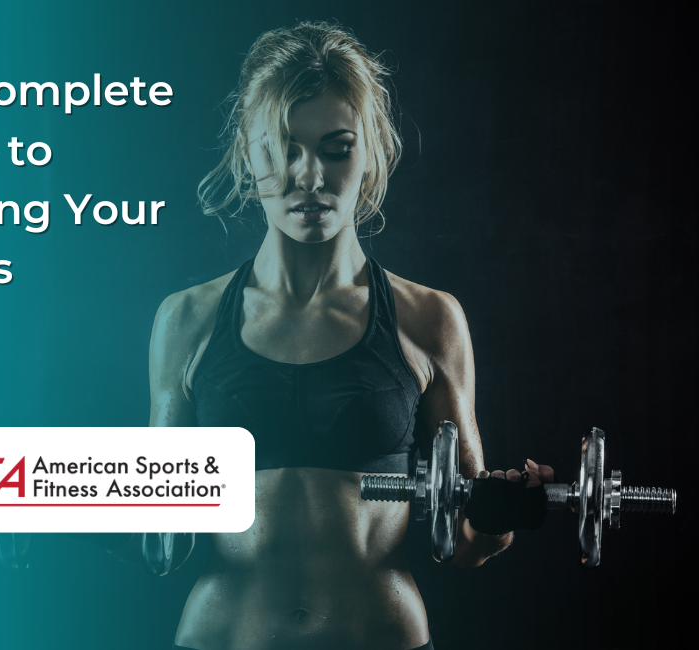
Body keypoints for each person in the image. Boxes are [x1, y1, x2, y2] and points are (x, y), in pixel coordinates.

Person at [137, 22, 553, 650]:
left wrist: (499, 520)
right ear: (249, 156)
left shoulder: (429, 320)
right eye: (284, 148)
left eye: (337, 148)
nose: (309, 176)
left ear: (372, 153)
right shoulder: (187, 320)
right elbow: (160, 534)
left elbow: (467, 543)